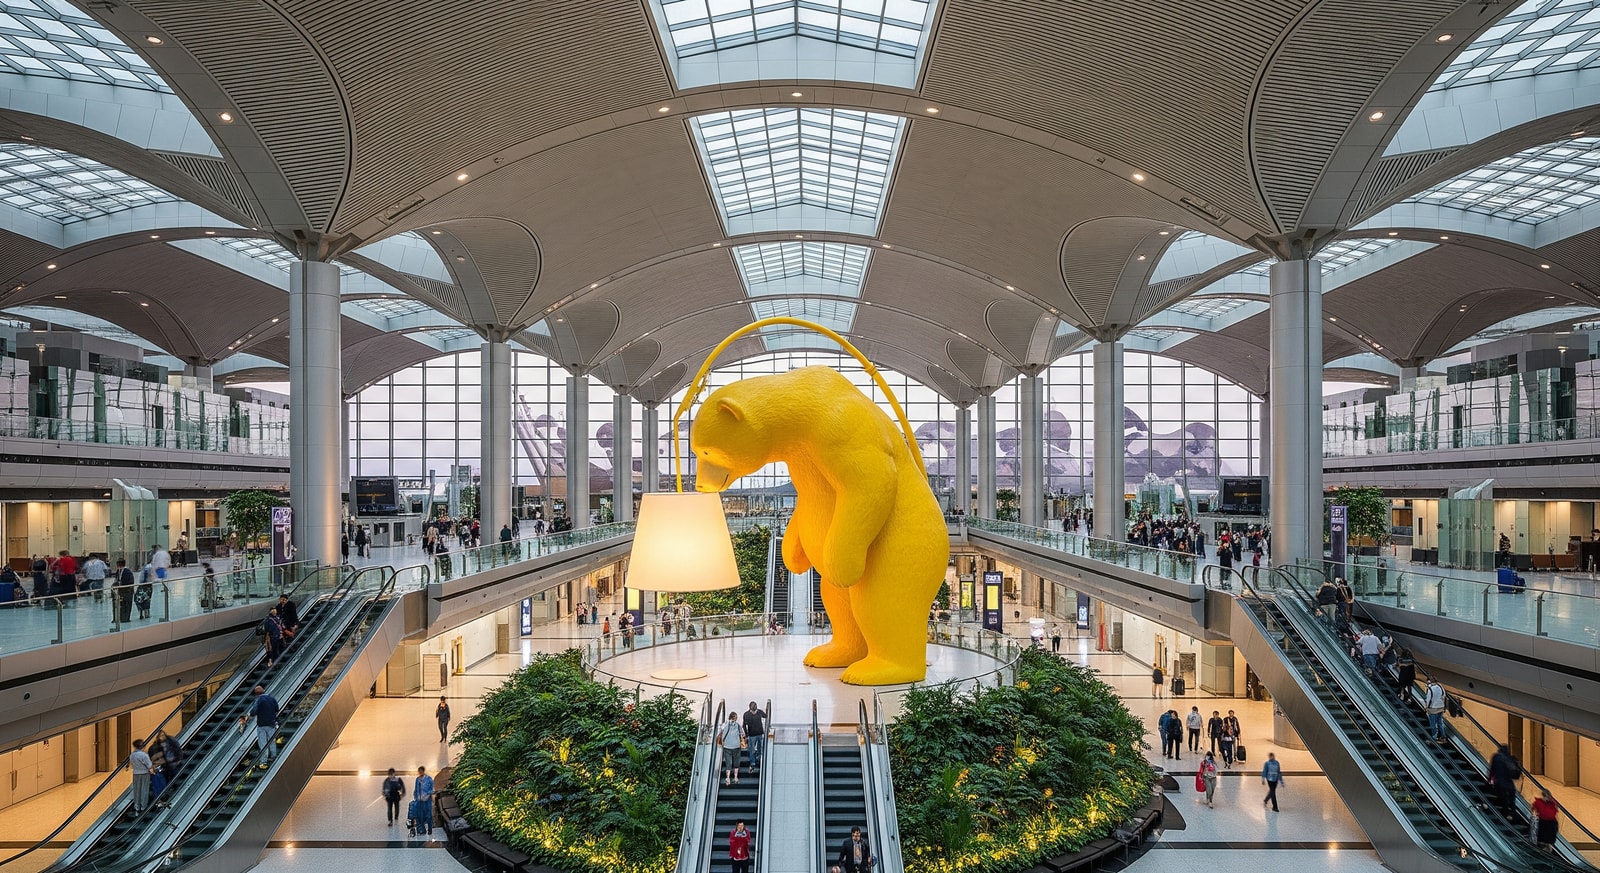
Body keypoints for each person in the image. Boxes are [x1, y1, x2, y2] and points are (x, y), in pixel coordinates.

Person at [240, 685, 280, 768]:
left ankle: (264, 761)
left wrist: (249, 715)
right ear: (264, 691)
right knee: (272, 740)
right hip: (271, 723)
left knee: (262, 743)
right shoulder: (272, 699)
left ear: (256, 694)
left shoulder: (259, 700)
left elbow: (254, 711)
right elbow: (277, 709)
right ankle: (274, 757)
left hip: (261, 724)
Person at [1488, 744, 1521, 817]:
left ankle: (1504, 814)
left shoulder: (1496, 757)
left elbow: (1492, 770)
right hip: (1509, 783)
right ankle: (1512, 813)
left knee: (1502, 798)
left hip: (1500, 782)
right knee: (1511, 799)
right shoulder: (1510, 758)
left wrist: (1489, 780)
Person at [718, 711, 745, 786]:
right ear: (735, 718)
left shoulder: (725, 724)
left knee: (728, 762)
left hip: (727, 746)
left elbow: (721, 733)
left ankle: (728, 778)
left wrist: (723, 741)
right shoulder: (738, 725)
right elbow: (742, 734)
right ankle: (735, 778)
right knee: (736, 762)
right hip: (736, 746)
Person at [129, 739, 153, 813]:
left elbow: (131, 764)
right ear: (143, 746)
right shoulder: (144, 755)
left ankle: (136, 806)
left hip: (136, 773)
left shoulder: (132, 755)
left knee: (137, 790)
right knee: (144, 789)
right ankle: (143, 806)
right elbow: (149, 765)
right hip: (144, 773)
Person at [742, 701, 766, 772]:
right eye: (753, 710)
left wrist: (766, 709)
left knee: (759, 748)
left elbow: (766, 716)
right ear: (750, 708)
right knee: (751, 749)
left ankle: (758, 759)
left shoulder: (759, 712)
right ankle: (753, 762)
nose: (754, 712)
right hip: (752, 735)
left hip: (759, 733)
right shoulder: (746, 714)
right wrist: (746, 734)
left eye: (755, 710)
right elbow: (744, 725)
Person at [413, 766, 435, 836]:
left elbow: (432, 790)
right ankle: (423, 830)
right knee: (420, 816)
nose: (420, 773)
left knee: (428, 816)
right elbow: (416, 789)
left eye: (421, 771)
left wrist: (427, 795)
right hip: (420, 801)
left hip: (427, 800)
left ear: (423, 771)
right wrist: (416, 797)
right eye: (419, 772)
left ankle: (430, 829)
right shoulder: (417, 779)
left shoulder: (429, 779)